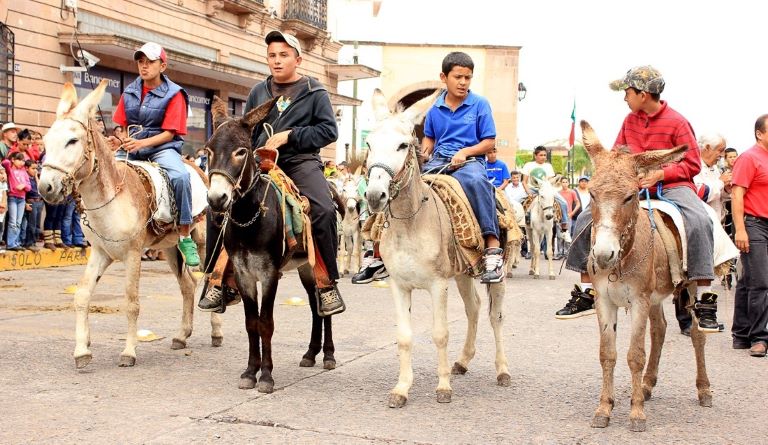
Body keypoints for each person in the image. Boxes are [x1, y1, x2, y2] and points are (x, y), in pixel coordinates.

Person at [556, 65, 720, 333]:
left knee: (700, 219)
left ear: (643, 94)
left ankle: (704, 296)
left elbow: (692, 164)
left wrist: (660, 174)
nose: (624, 98)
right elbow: (619, 156)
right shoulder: (629, 121)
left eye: (627, 92)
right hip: (630, 188)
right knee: (587, 215)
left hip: (672, 186)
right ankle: (586, 290)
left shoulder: (678, 122)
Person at [197, 30, 344, 316]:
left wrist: (291, 136)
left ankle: (327, 284)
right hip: (259, 163)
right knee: (217, 208)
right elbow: (246, 133)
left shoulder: (315, 92)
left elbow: (329, 130)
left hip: (300, 162)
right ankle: (217, 282)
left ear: (298, 59)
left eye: (283, 55)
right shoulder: (257, 91)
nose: (277, 61)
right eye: (272, 56)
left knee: (324, 209)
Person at [106, 42, 200, 267]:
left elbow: (169, 134)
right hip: (132, 147)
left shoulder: (175, 94)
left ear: (163, 65)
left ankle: (185, 235)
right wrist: (117, 140)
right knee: (105, 172)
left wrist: (141, 143)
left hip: (162, 149)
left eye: (150, 62)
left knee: (180, 177)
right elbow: (121, 126)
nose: (144, 66)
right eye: (141, 61)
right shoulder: (129, 91)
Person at [420, 51, 504, 283]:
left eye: (468, 77)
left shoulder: (479, 104)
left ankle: (492, 249)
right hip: (439, 161)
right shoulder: (435, 109)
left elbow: (489, 142)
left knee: (478, 182)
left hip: (470, 161)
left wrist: (465, 152)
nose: (463, 82)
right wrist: (424, 151)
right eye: (458, 77)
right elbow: (429, 138)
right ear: (443, 77)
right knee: (409, 185)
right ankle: (378, 250)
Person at [730, 113, 768, 357]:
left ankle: (741, 334)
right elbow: (737, 194)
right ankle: (760, 338)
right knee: (761, 282)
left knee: (748, 280)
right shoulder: (749, 157)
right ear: (760, 133)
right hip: (754, 224)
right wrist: (740, 229)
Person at [693, 133, 730, 221]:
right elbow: (700, 194)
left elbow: (718, 196)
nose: (722, 155)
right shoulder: (694, 167)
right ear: (707, 147)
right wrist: (721, 182)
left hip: (718, 223)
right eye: (720, 150)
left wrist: (726, 189)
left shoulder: (715, 168)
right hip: (703, 223)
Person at [1, 152, 31, 251]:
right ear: (13, 160)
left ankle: (16, 242)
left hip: (22, 199)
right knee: (12, 222)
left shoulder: (24, 172)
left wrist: (24, 186)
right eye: (19, 160)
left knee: (18, 222)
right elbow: (5, 162)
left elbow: (29, 187)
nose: (22, 163)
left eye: (23, 160)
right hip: (13, 198)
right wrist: (12, 158)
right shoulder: (10, 170)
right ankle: (10, 244)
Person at [21, 160, 42, 251]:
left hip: (38, 202)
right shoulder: (26, 179)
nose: (35, 170)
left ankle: (34, 241)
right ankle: (29, 243)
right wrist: (26, 204)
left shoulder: (34, 178)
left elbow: (39, 189)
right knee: (31, 224)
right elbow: (25, 193)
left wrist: (37, 177)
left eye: (36, 169)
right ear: (26, 168)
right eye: (33, 168)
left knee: (37, 224)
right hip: (30, 201)